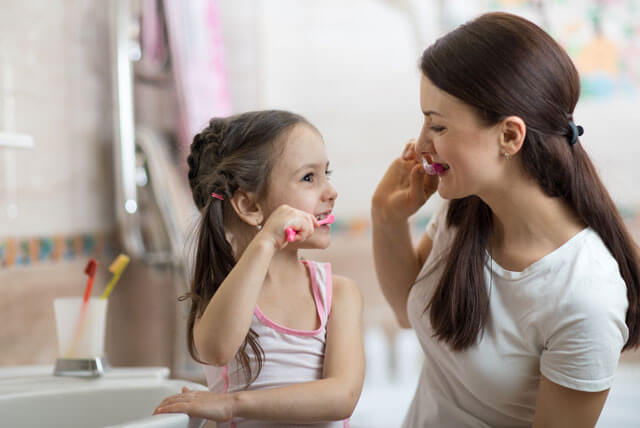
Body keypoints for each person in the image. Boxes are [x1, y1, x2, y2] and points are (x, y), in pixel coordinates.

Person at [372, 12, 640, 428]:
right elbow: (410, 314)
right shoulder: (464, 211)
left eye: (438, 125)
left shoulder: (585, 297)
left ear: (510, 136)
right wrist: (387, 216)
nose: (421, 143)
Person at [154, 110, 365, 427]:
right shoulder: (227, 293)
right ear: (250, 206)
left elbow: (342, 397)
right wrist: (266, 242)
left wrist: (232, 405)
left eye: (327, 174)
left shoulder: (339, 293)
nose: (331, 191)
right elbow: (216, 349)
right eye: (309, 178)